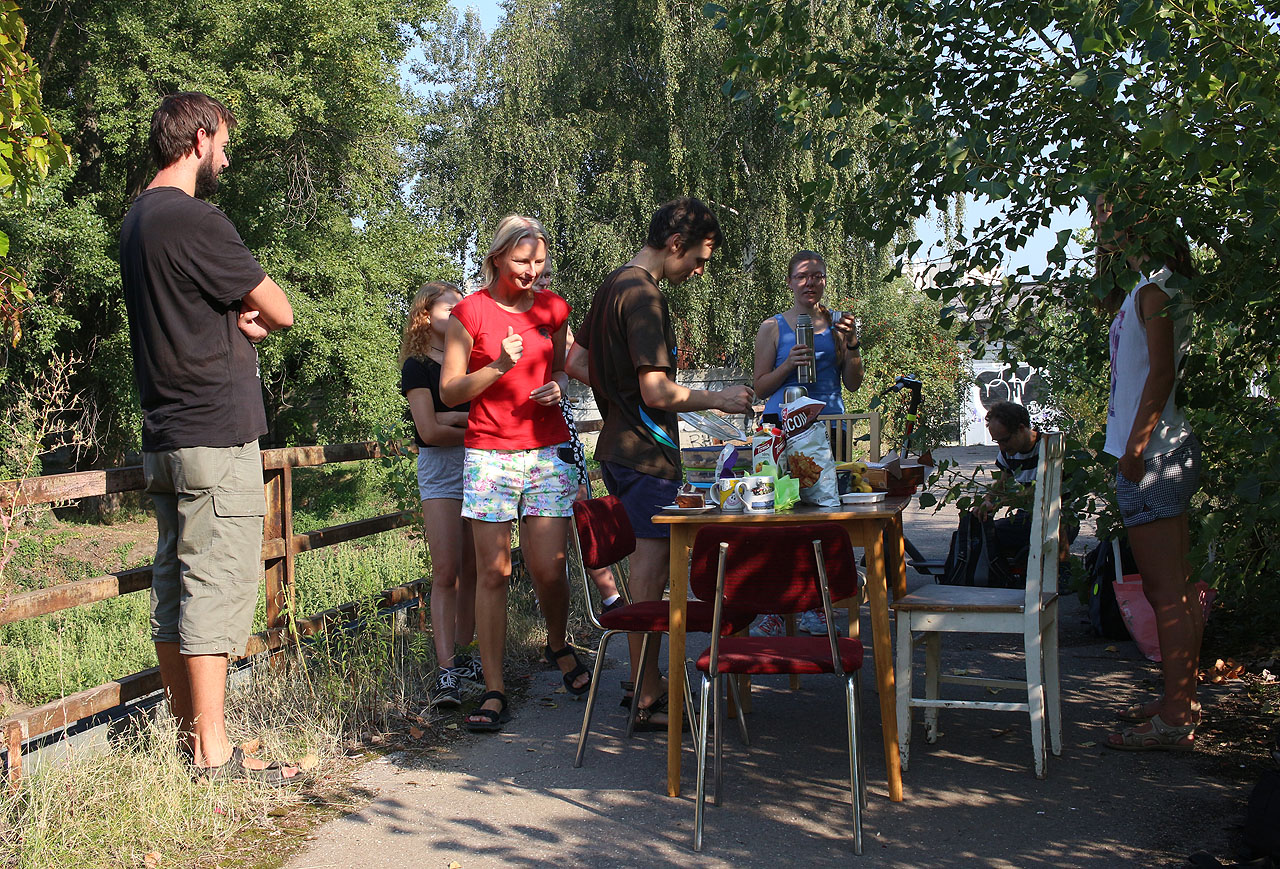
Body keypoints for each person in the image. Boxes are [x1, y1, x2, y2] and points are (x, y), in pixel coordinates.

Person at [121, 92, 297, 782]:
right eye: (223, 140)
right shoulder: (198, 220)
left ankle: (187, 739)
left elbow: (189, 310)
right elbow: (279, 307)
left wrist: (233, 316)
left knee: (173, 589)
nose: (227, 154)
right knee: (215, 587)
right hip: (215, 436)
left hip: (163, 435)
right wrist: (252, 316)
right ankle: (213, 752)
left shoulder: (136, 221)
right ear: (198, 138)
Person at [568, 197, 754, 731]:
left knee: (648, 569)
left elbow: (576, 361)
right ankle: (646, 690)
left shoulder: (611, 286)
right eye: (699, 259)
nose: (699, 270)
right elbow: (657, 390)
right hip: (646, 453)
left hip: (618, 452)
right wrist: (717, 398)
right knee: (651, 572)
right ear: (676, 244)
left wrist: (616, 395)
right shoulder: (645, 296)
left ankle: (644, 683)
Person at [439, 215, 587, 733]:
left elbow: (559, 369)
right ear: (498, 257)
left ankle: (556, 642)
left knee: (549, 567)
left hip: (547, 450)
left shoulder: (553, 308)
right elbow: (450, 391)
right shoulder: (469, 312)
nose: (531, 270)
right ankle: (495, 688)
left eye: (539, 261)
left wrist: (556, 388)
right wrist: (498, 366)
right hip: (489, 455)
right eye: (522, 260)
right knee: (495, 573)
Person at [1094, 199, 1203, 752]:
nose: (1097, 224)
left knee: (1164, 593)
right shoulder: (1147, 288)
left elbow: (1160, 375)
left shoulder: (1155, 292)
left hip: (1154, 459)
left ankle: (1175, 720)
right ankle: (1177, 700)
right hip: (1159, 453)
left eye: (1107, 214)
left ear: (1141, 221)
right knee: (1175, 590)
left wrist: (1134, 451)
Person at [750, 250, 863, 637]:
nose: (810, 282)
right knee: (777, 518)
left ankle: (818, 601)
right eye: (802, 276)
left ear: (825, 280)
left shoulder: (837, 324)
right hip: (782, 429)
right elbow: (759, 387)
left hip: (830, 427)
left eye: (817, 276)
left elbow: (853, 382)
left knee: (825, 520)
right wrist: (786, 366)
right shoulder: (772, 328)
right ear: (790, 282)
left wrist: (852, 345)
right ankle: (774, 607)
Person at [398, 281, 482, 710]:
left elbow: (442, 419)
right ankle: (445, 670)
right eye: (448, 308)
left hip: (479, 467)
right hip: (442, 472)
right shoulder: (416, 366)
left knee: (474, 568)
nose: (457, 314)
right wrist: (472, 423)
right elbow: (428, 432)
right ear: (426, 316)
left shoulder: (468, 362)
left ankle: (466, 657)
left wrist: (451, 415)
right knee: (446, 570)